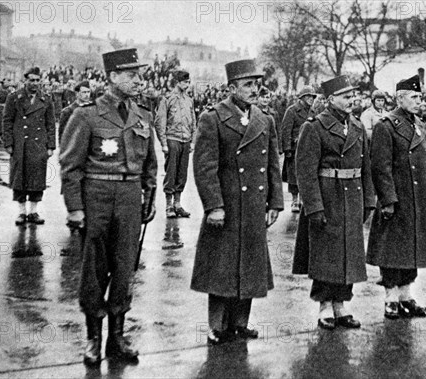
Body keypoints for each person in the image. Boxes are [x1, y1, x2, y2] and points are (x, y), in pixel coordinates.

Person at [60, 48, 157, 365]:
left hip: (130, 198)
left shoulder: (143, 115)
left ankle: (117, 337)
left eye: (139, 74)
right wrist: (75, 208)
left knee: (125, 269)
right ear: (112, 76)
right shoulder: (86, 114)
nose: (138, 80)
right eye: (131, 75)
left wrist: (149, 199)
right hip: (98, 197)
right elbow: (70, 166)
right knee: (94, 270)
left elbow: (150, 166)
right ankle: (93, 338)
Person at [191, 59, 283, 345]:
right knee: (222, 265)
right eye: (247, 85)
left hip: (254, 204)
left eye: (256, 84)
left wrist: (275, 203)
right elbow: (205, 167)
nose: (254, 89)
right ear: (232, 88)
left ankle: (240, 323)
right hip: (227, 204)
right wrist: (214, 206)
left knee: (250, 264)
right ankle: (217, 325)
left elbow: (272, 166)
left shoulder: (264, 119)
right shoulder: (213, 118)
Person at [292, 75, 375, 330]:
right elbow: (305, 170)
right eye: (345, 96)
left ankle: (341, 305)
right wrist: (314, 206)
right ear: (330, 100)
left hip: (352, 195)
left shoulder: (358, 127)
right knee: (326, 255)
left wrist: (369, 200)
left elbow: (366, 166)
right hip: (328, 196)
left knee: (349, 253)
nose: (351, 100)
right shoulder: (314, 127)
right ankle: (324, 306)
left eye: (353, 96)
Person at [366, 75, 426, 320]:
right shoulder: (385, 126)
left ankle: (406, 295)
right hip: (397, 198)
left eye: (420, 96)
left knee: (412, 248)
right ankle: (391, 298)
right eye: (414, 97)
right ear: (400, 98)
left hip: (416, 197)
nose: (419, 101)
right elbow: (380, 167)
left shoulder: (420, 125)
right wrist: (388, 200)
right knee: (392, 249)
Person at [2, 67, 56, 225]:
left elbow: (50, 124)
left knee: (37, 178)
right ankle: (21, 212)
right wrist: (8, 143)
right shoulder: (14, 98)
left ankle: (33, 211)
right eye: (31, 80)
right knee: (19, 178)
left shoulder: (46, 99)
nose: (34, 83)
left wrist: (51, 145)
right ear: (25, 80)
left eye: (37, 80)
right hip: (20, 144)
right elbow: (7, 121)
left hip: (39, 144)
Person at [154, 70, 196, 218]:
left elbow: (193, 121)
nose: (187, 84)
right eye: (185, 82)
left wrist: (192, 141)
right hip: (173, 139)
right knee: (171, 173)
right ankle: (168, 206)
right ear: (178, 82)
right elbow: (160, 122)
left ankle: (178, 204)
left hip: (185, 140)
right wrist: (164, 143)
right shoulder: (167, 99)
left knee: (182, 173)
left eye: (188, 82)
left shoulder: (189, 100)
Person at [281, 86, 317, 212]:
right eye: (308, 96)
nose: (311, 99)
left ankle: (303, 199)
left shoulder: (313, 112)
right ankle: (295, 200)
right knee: (293, 176)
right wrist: (287, 149)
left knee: (306, 174)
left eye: (312, 97)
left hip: (309, 148)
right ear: (301, 98)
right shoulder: (292, 111)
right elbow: (286, 130)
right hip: (295, 148)